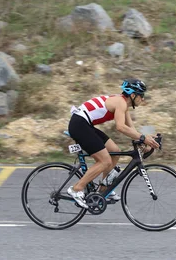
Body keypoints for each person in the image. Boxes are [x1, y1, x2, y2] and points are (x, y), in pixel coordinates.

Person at [66, 78, 160, 208]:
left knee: (115, 152)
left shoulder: (123, 104)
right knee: (105, 161)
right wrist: (144, 138)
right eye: (141, 95)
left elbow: (130, 129)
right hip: (80, 125)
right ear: (132, 95)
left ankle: (104, 190)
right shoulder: (120, 103)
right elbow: (120, 127)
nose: (142, 99)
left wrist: (141, 141)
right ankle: (76, 189)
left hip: (84, 124)